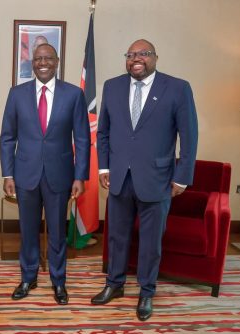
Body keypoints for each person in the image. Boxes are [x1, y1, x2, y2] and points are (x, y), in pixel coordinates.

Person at [92, 39, 198, 321]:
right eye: (130, 55)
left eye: (143, 54)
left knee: (151, 241)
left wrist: (182, 177)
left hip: (158, 179)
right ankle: (114, 284)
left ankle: (146, 291)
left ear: (155, 58)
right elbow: (103, 132)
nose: (136, 59)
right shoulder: (112, 86)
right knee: (116, 237)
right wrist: (103, 168)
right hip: (119, 178)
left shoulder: (177, 88)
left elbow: (189, 136)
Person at [0, 43, 90, 305]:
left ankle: (58, 281)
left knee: (58, 233)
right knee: (27, 231)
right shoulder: (16, 94)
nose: (42, 63)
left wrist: (79, 176)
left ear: (57, 61)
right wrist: (7, 174)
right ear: (32, 63)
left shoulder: (73, 94)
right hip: (25, 174)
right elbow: (7, 138)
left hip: (60, 175)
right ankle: (28, 278)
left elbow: (82, 139)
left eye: (48, 58)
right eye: (38, 58)